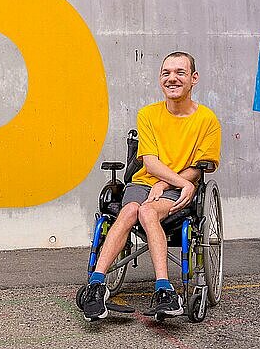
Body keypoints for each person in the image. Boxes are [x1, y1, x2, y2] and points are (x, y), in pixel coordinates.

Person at [83, 51, 221, 321]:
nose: (172, 78)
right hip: (147, 183)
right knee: (130, 209)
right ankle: (96, 285)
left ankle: (164, 290)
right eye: (166, 73)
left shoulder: (207, 120)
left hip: (176, 190)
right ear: (160, 79)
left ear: (194, 78)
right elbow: (149, 161)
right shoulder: (148, 114)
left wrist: (175, 184)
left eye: (180, 73)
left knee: (146, 212)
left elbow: (203, 165)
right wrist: (172, 181)